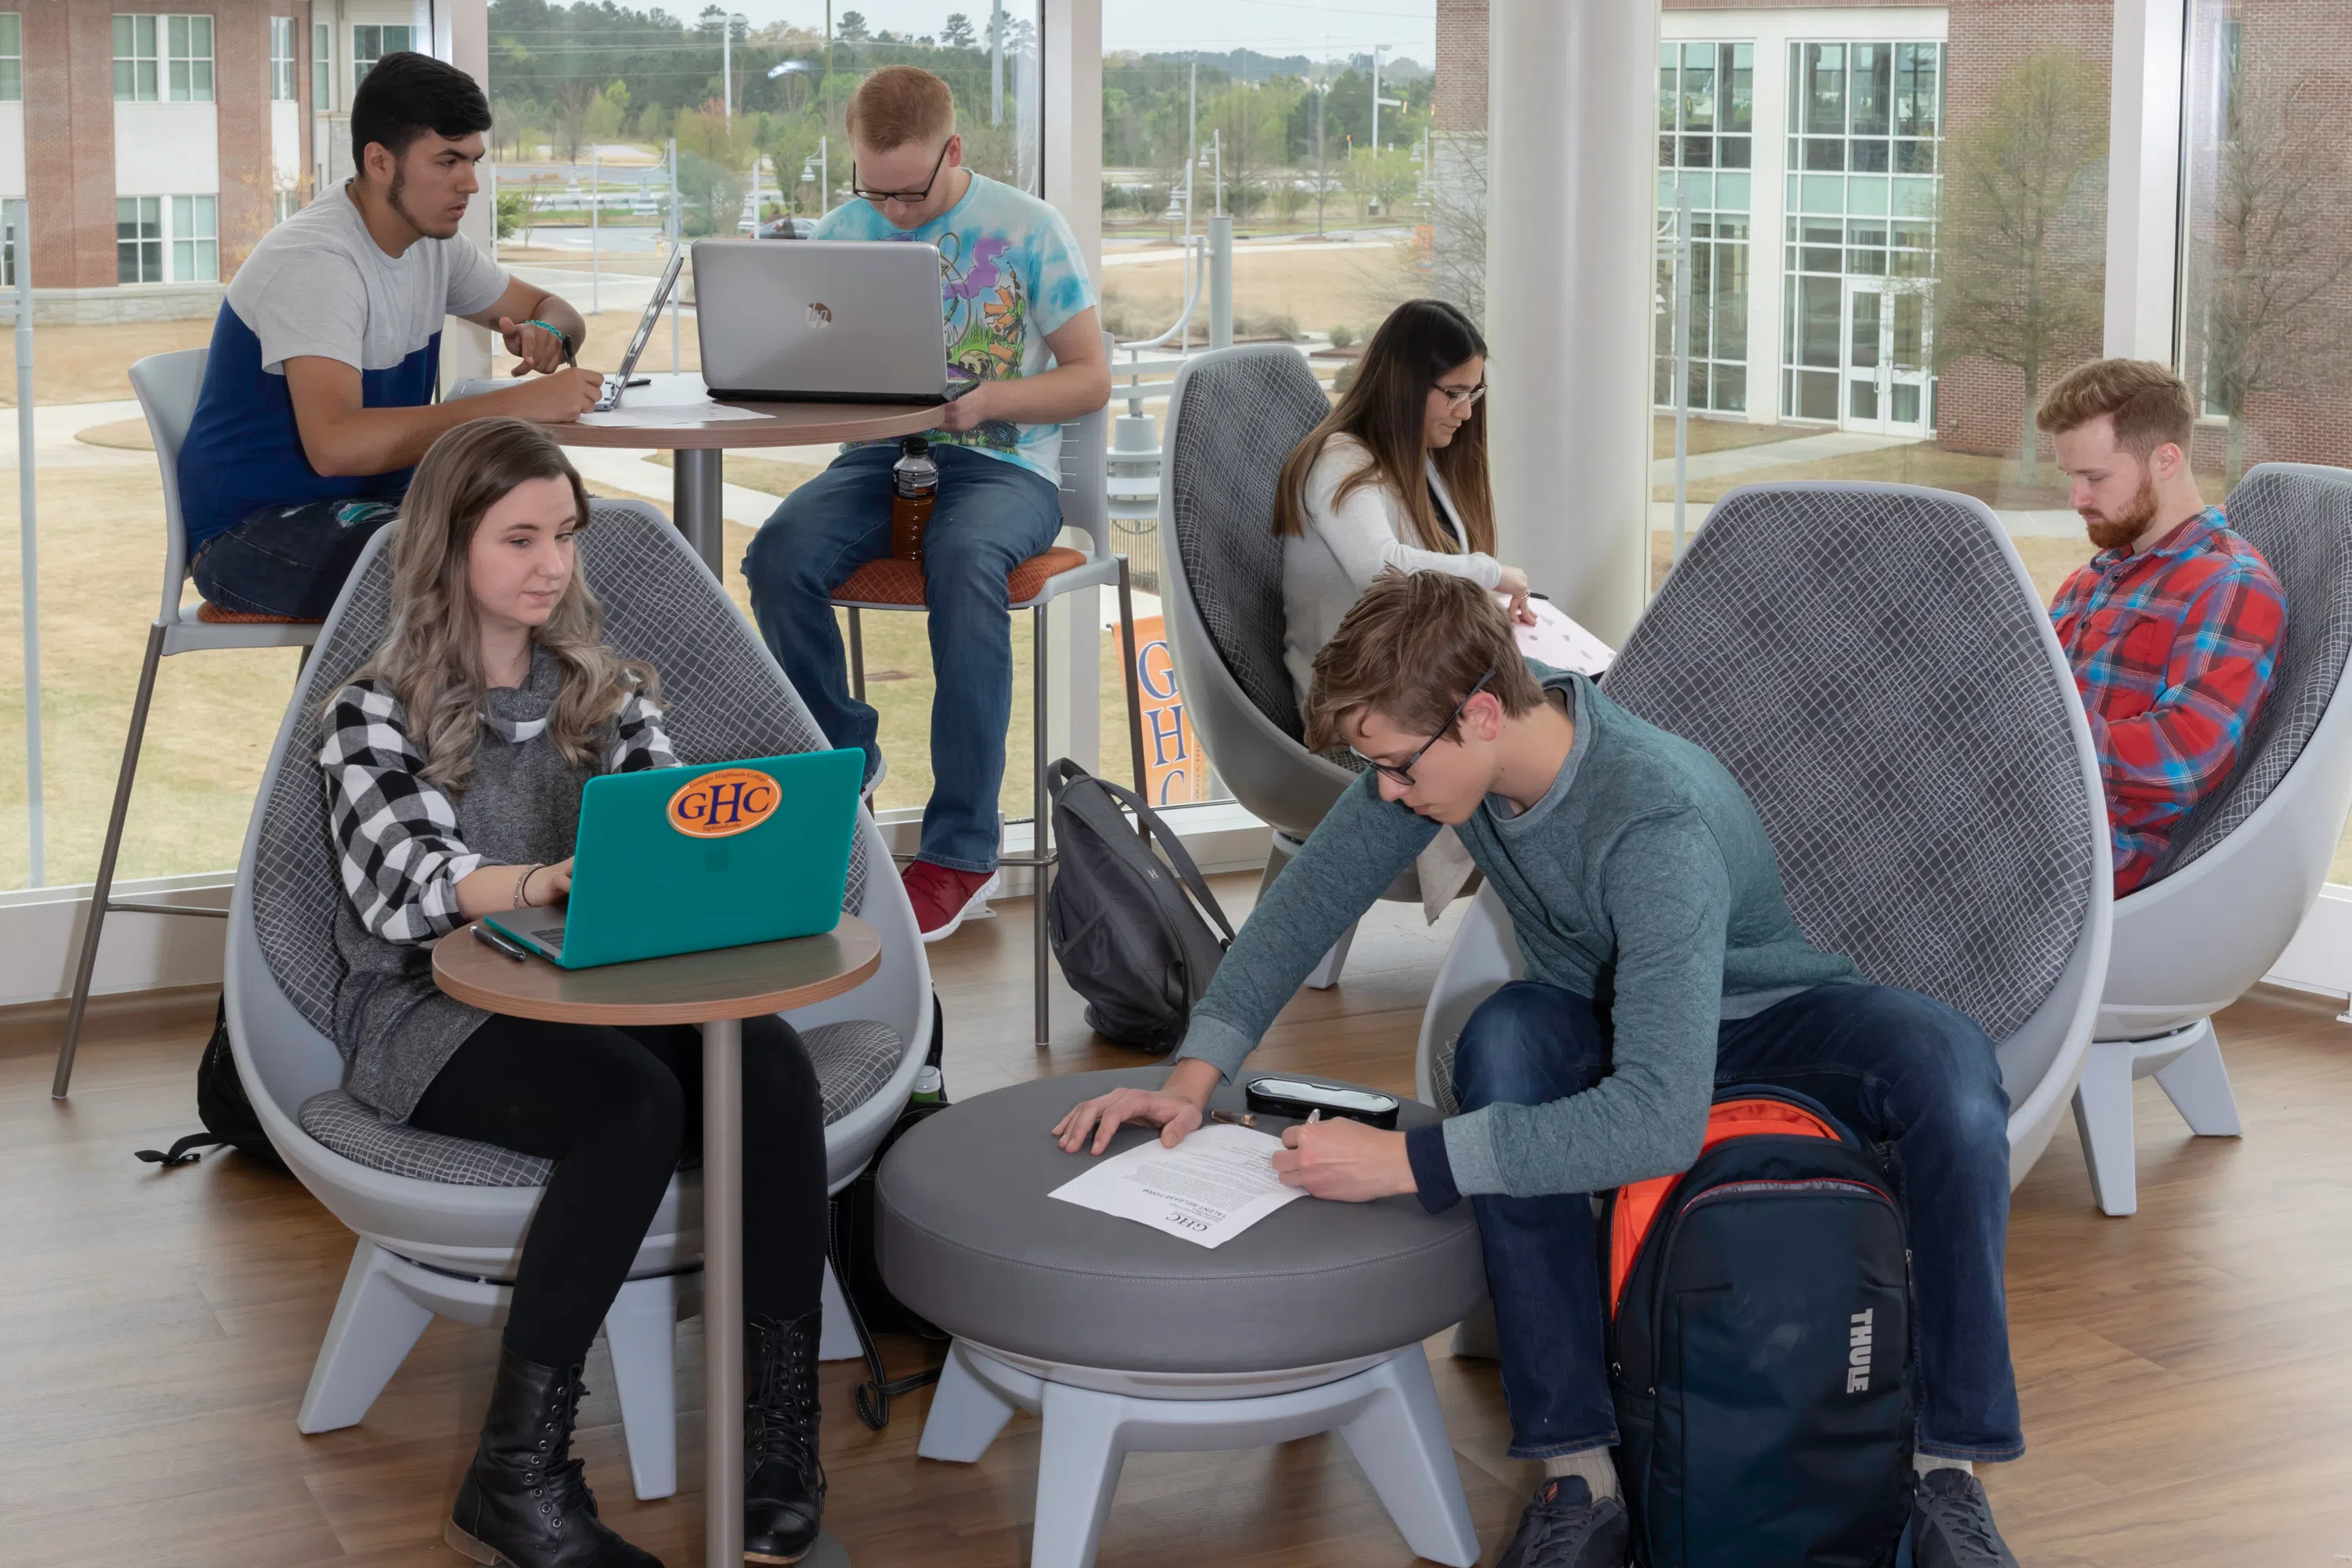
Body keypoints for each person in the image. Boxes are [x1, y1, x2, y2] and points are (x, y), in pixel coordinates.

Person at [1051, 572, 2028, 1568]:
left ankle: (1951, 1470)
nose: (1385, 790)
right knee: (1504, 1041)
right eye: (1374, 766)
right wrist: (1192, 1075)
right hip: (1603, 1013)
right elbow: (1308, 902)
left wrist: (1409, 1163)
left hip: (1770, 1012)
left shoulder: (1652, 821)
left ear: (1478, 714)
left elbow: (1658, 1118)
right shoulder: (1460, 738)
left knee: (1950, 1069)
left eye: (1393, 767)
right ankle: (1579, 1477)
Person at [319, 419, 829, 1568]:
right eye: (520, 538)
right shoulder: (371, 712)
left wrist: (718, 853)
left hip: (600, 994)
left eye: (565, 536)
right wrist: (544, 878)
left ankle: (780, 1435)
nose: (552, 564)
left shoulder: (608, 691)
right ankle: (519, 1480)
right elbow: (409, 889)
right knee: (631, 1106)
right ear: (447, 550)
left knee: (773, 1067)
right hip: (429, 1015)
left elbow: (670, 837)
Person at [742, 64, 1110, 942]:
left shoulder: (1030, 228)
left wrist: (983, 401)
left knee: (964, 558)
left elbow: (1090, 377)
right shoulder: (841, 232)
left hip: (1004, 465)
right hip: (876, 460)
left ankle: (960, 851)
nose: (895, 212)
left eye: (911, 192)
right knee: (777, 555)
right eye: (877, 191)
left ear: (954, 151)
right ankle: (844, 759)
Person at [180, 52, 602, 622]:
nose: (470, 183)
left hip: (381, 507)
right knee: (496, 568)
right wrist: (518, 408)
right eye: (448, 161)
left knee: (592, 538)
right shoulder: (316, 262)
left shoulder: (436, 245)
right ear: (379, 162)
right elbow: (335, 445)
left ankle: (605, 714)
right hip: (253, 532)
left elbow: (555, 310)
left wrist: (549, 330)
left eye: (473, 160)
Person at [2042, 358, 2287, 894]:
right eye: (2071, 477)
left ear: (2166, 460)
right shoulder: (2093, 579)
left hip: (2083, 853)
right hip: (2023, 810)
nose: (2076, 499)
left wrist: (2036, 743)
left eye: (2096, 478)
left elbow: (2187, 755)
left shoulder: (2230, 585)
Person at [1274, 296, 1535, 709]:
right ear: (1404, 383)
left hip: (1416, 679)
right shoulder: (1340, 459)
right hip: (1361, 704)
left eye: (1473, 393)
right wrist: (1489, 573)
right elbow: (1379, 570)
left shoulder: (1419, 459)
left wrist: (1482, 603)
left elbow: (1428, 584)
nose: (1466, 412)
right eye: (1454, 393)